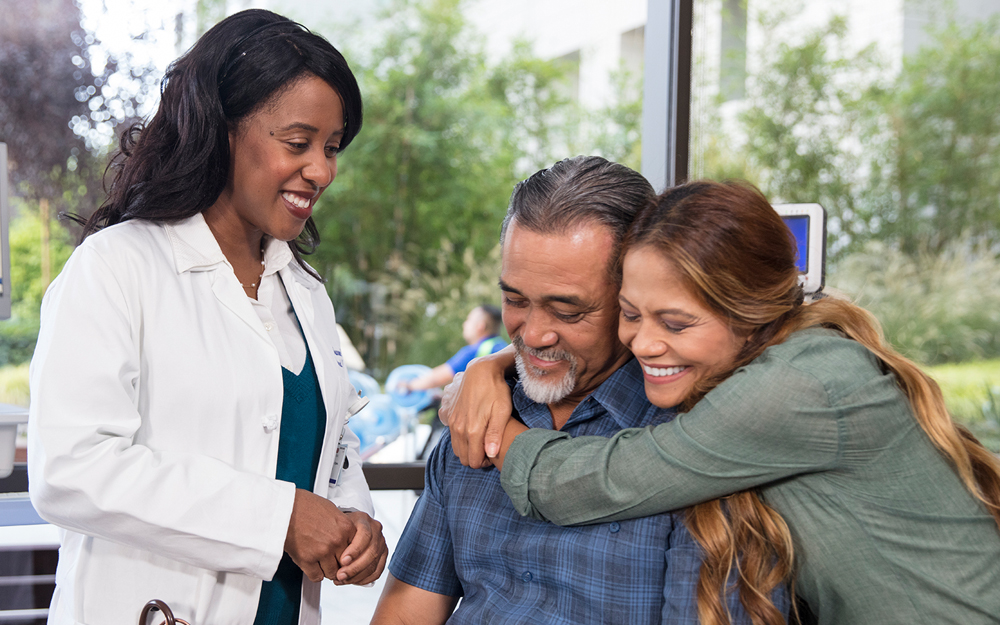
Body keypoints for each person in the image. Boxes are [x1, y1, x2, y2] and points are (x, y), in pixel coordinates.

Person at [445, 180, 1000, 625]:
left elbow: (603, 480)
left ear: (749, 313)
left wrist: (492, 426)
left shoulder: (792, 387)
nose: (642, 343)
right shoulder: (802, 357)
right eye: (630, 314)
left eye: (676, 322)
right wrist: (492, 366)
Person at [27, 10, 387, 625]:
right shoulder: (118, 266)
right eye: (297, 144)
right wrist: (278, 519)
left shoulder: (304, 291)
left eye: (331, 148)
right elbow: (71, 468)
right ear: (220, 131)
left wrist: (354, 518)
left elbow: (328, 445)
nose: (323, 171)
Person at [371, 157, 785, 624]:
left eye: (567, 311)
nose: (533, 335)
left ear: (633, 299)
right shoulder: (476, 411)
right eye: (514, 300)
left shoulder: (707, 444)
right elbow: (405, 612)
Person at [399, 305, 506, 394]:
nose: (464, 324)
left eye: (468, 320)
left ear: (480, 326)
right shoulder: (503, 347)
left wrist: (409, 385)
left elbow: (437, 378)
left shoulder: (476, 351)